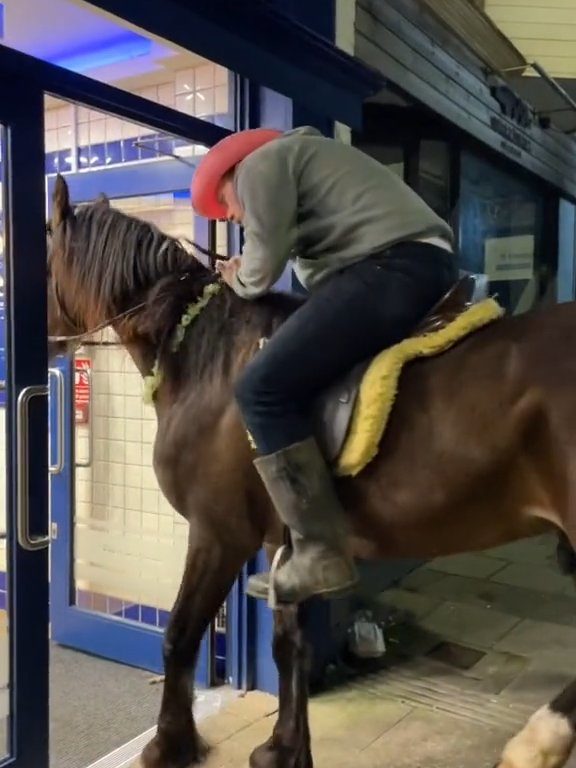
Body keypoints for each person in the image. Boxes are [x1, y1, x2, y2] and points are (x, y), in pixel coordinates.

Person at [191, 126, 458, 605]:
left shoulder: (260, 166)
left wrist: (238, 278)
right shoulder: (308, 160)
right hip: (414, 264)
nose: (230, 214)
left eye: (225, 201)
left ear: (232, 172)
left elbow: (262, 264)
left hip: (389, 267)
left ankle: (319, 553)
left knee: (260, 387)